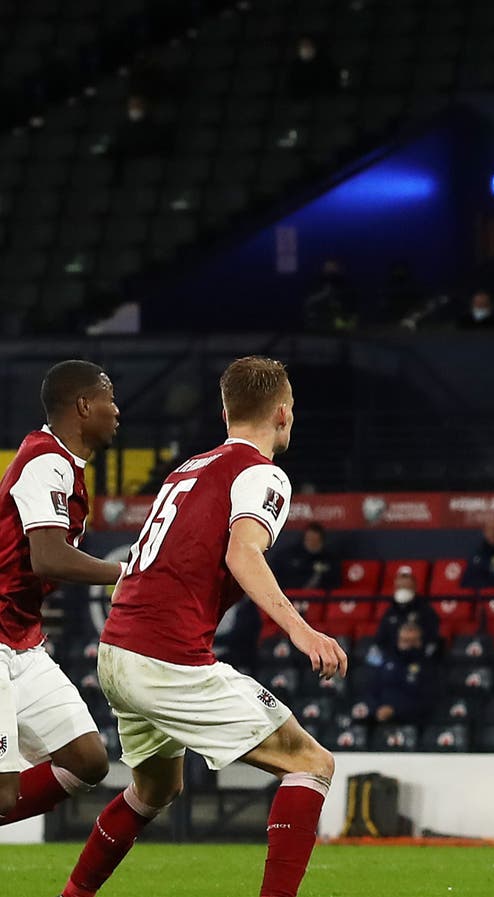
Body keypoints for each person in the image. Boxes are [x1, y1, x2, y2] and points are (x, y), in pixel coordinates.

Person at [58, 356, 348, 897]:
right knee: (311, 762)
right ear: (284, 414)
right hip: (165, 658)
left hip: (117, 649)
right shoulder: (263, 473)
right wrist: (300, 630)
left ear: (224, 411)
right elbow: (244, 552)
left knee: (155, 788)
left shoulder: (188, 469)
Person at [0, 361, 123, 828]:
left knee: (89, 760)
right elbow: (48, 558)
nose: (117, 411)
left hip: (21, 640)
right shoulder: (46, 461)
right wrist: (126, 572)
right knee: (3, 794)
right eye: (109, 399)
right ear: (84, 405)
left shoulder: (63, 464)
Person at [366, 622, 439, 727]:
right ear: (398, 641)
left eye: (413, 641)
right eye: (405, 641)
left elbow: (427, 701)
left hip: (413, 724)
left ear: (420, 642)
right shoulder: (387, 662)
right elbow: (372, 689)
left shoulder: (428, 667)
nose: (409, 646)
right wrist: (376, 709)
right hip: (379, 720)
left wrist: (394, 710)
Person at [372, 565, 440, 661]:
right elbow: (380, 639)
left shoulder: (426, 610)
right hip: (393, 659)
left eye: (406, 587)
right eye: (400, 587)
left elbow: (432, 639)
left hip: (419, 660)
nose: (403, 590)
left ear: (414, 587)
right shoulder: (390, 611)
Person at [275, 522, 340, 591]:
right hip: (291, 595)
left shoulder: (329, 559)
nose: (311, 543)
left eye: (315, 540)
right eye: (309, 539)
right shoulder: (289, 556)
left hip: (321, 598)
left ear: (321, 541)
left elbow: (335, 582)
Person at [211, 595, 262, 676]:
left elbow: (238, 636)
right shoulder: (241, 607)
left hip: (243, 655)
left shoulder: (248, 609)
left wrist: (211, 639)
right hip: (230, 651)